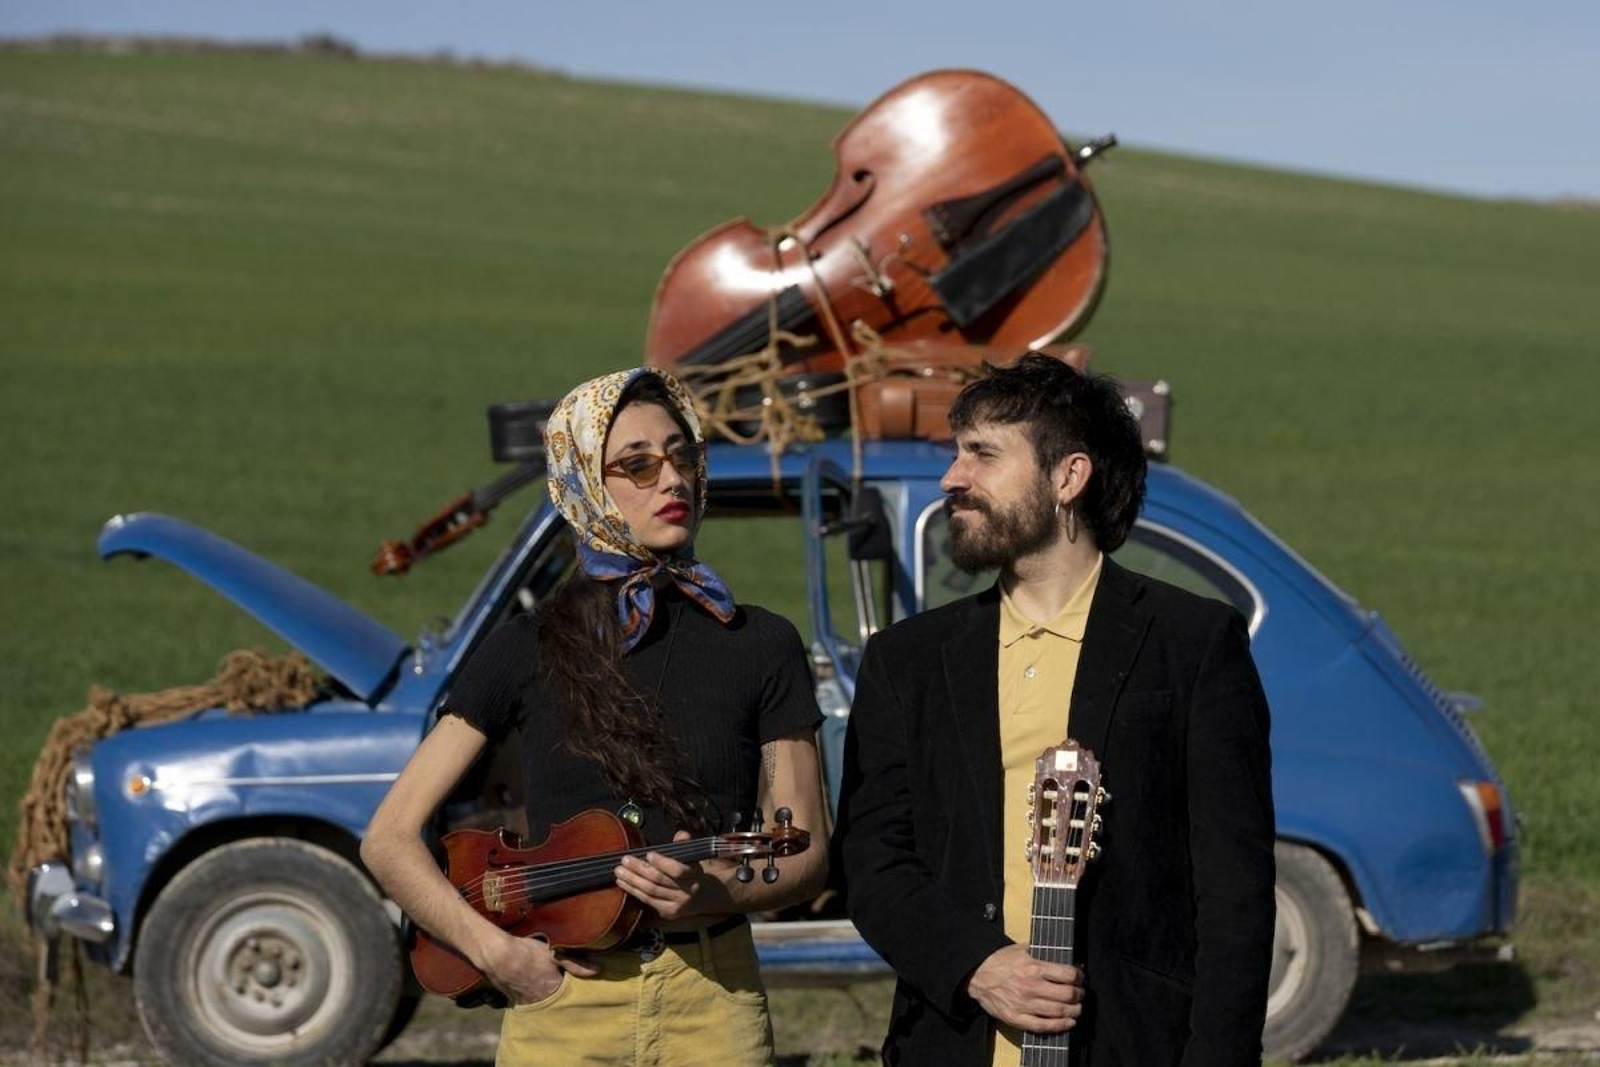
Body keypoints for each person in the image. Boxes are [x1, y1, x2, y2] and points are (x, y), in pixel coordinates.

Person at [361, 367, 829, 1067]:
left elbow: (807, 851)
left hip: (713, 1001)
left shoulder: (762, 642)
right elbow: (390, 838)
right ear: (583, 481)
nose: (670, 480)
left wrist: (708, 887)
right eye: (637, 465)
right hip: (563, 1007)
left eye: (682, 456)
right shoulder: (527, 643)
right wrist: (497, 953)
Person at [835, 354, 1275, 1066]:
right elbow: (871, 860)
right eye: (956, 453)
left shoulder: (1192, 644)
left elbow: (1234, 896)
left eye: (982, 455)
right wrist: (978, 964)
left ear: (1069, 477)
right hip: (950, 1045)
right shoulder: (907, 660)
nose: (952, 477)